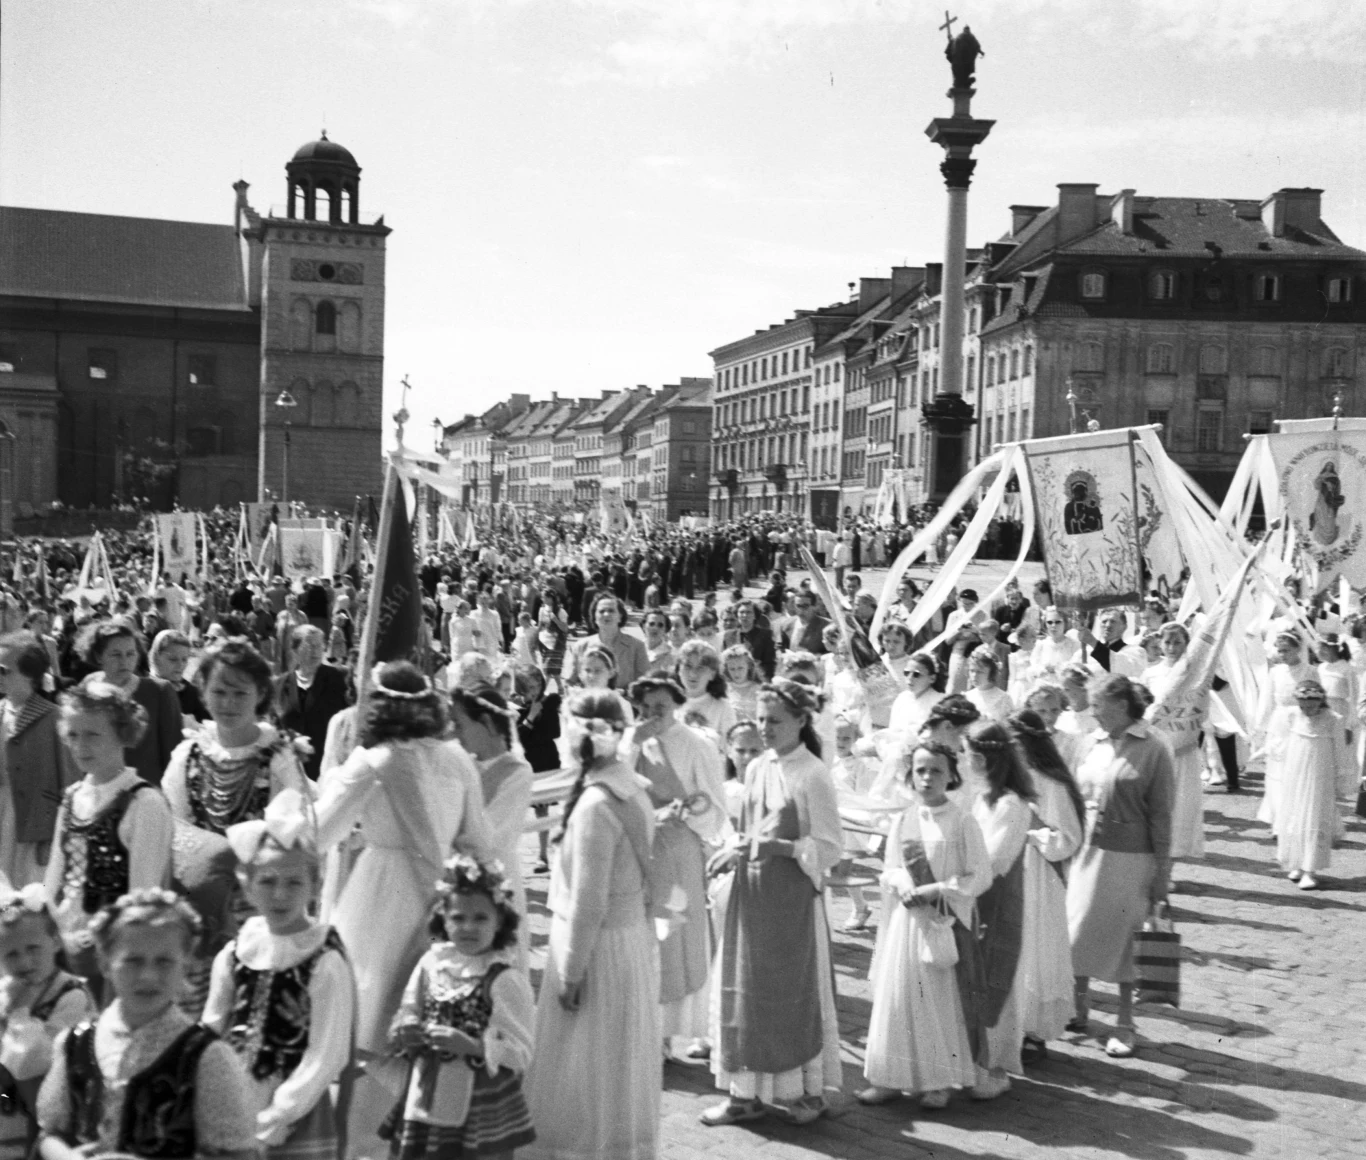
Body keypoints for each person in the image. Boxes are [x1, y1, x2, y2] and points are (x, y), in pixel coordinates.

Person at [315, 662, 493, 1149]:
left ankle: (362, 1144)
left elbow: (317, 833)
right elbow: (478, 841)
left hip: (376, 901)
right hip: (447, 907)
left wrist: (307, 781)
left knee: (369, 1030)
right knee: (427, 1028)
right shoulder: (458, 760)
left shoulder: (371, 761)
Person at [523, 690, 660, 1160]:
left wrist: (572, 972)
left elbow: (588, 900)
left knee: (584, 1065)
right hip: (629, 941)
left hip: (596, 948)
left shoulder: (597, 805)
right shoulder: (631, 789)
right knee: (616, 1062)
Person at [703, 679, 842, 1128]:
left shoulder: (813, 774)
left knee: (792, 993)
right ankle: (745, 1094)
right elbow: (750, 828)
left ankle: (807, 1091)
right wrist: (735, 848)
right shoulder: (759, 765)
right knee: (747, 992)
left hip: (792, 901)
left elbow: (828, 847)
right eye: (761, 719)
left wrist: (777, 848)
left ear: (802, 721)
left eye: (775, 721)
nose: (764, 728)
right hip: (753, 895)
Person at [35, 889, 258, 1160]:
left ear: (185, 965)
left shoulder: (205, 1057)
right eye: (133, 961)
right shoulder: (75, 1044)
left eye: (164, 961)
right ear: (105, 964)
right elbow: (50, 1134)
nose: (148, 975)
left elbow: (237, 1154)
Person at [203, 790, 355, 1159]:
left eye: (294, 883)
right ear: (248, 885)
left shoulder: (322, 959)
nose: (280, 895)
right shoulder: (237, 952)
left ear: (315, 886)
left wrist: (280, 1112)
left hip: (293, 1107)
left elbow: (326, 1052)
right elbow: (211, 1024)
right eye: (267, 882)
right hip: (233, 1096)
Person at [857, 740, 989, 1110]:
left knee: (936, 1001)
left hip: (941, 920)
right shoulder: (904, 819)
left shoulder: (963, 820)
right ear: (910, 776)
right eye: (920, 771)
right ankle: (887, 1078)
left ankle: (938, 1081)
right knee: (898, 998)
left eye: (936, 771)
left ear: (951, 776)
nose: (927, 778)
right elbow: (890, 869)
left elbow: (981, 875)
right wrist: (901, 883)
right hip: (906, 920)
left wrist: (937, 889)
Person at [381, 855, 535, 1160]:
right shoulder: (432, 964)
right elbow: (410, 1007)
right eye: (458, 918)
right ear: (444, 919)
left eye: (480, 918)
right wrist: (405, 1028)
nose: (468, 927)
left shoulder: (503, 978)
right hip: (427, 1091)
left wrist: (474, 1046)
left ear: (500, 921)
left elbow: (521, 1051)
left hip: (482, 1101)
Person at [1066, 674, 1174, 1058]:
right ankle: (1077, 1007)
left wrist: (1163, 874)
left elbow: (1163, 816)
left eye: (1098, 704)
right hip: (1085, 854)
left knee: (1126, 940)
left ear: (1122, 704)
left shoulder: (1154, 748)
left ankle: (1125, 1023)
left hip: (1132, 859)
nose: (1092, 711)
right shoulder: (1089, 743)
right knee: (1077, 931)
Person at [44, 684, 174, 999]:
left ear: (121, 734)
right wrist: (54, 929)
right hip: (64, 945)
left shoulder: (143, 802)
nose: (80, 746)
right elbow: (53, 878)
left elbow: (142, 897)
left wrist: (102, 943)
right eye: (73, 735)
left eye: (93, 735)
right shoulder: (74, 796)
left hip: (116, 952)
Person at [626, 676, 727, 1064]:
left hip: (679, 847)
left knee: (676, 933)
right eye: (646, 706)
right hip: (640, 848)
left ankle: (687, 1029)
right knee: (646, 935)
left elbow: (714, 804)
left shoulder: (697, 744)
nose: (654, 714)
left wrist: (682, 813)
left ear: (677, 705)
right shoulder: (635, 741)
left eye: (662, 707)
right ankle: (652, 1032)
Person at [961, 720, 1035, 1098]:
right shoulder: (981, 795)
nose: (965, 761)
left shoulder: (1011, 804)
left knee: (995, 975)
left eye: (969, 754)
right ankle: (970, 1059)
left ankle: (993, 1065)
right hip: (973, 897)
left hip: (997, 900)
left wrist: (960, 876)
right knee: (971, 978)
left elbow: (994, 860)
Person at [1006, 711, 1084, 1059]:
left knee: (1035, 949)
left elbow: (1068, 839)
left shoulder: (1053, 784)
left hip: (1038, 874)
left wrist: (1033, 827)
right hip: (1008, 870)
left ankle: (1033, 1030)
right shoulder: (1006, 781)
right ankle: (1009, 1024)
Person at [0, 887, 95, 1151]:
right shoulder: (7, 989)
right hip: (12, 1104)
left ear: (54, 942)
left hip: (53, 1103)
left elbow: (31, 1060)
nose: (24, 961)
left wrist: (16, 1010)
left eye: (33, 948)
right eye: (11, 954)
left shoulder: (71, 994)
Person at [450, 686, 534, 970]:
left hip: (497, 880)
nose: (456, 732)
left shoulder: (517, 772)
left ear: (486, 723)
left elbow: (491, 839)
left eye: (462, 724)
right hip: (459, 881)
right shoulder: (462, 765)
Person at [0, 634, 76, 886]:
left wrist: (56, 836)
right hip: (2, 812)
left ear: (30, 676)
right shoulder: (2, 712)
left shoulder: (53, 718)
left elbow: (70, 783)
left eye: (4, 671)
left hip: (34, 824)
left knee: (27, 888)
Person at [78, 621, 181, 786]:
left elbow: (174, 754)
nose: (124, 661)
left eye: (130, 654)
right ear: (99, 656)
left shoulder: (159, 691)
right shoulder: (89, 686)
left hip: (146, 794)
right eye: (116, 654)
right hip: (101, 791)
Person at [1141, 622, 1209, 867]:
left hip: (1183, 749)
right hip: (1157, 748)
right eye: (1167, 642)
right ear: (1160, 643)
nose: (1171, 647)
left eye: (1177, 642)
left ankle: (1169, 865)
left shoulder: (1195, 675)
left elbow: (1202, 711)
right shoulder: (1150, 673)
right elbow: (1143, 707)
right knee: (1155, 806)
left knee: (1179, 806)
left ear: (1186, 644)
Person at [1275, 679, 1353, 890]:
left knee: (1314, 816)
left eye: (1312, 704)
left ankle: (1310, 869)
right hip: (1296, 773)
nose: (1307, 709)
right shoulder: (1292, 715)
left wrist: (1342, 778)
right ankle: (1297, 863)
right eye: (1303, 703)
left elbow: (1340, 751)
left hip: (1320, 776)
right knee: (1294, 814)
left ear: (1321, 701)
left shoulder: (1333, 720)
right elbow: (1283, 744)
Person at [275, 626, 352, 782]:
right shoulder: (280, 684)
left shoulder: (338, 678)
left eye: (319, 645)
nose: (316, 651)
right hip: (290, 770)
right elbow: (275, 726)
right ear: (295, 650)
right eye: (310, 645)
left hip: (328, 770)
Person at [566, 597, 649, 691]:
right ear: (595, 617)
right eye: (601, 611)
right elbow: (569, 682)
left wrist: (624, 694)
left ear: (620, 616)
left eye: (611, 611)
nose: (606, 614)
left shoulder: (637, 646)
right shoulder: (580, 646)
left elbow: (644, 683)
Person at [676, 640, 736, 742]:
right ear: (678, 670)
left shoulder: (723, 708)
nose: (693, 674)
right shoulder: (669, 704)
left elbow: (730, 748)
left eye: (700, 668)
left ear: (712, 674)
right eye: (688, 666)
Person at [149, 629, 209, 724]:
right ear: (156, 657)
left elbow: (206, 724)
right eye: (173, 659)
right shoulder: (145, 689)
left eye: (184, 659)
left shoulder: (190, 692)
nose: (180, 665)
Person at [887, 653, 944, 737]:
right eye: (906, 672)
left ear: (932, 678)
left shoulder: (940, 702)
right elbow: (892, 730)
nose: (909, 678)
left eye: (916, 674)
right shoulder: (901, 698)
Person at [965, 647, 1012, 723]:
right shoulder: (967, 697)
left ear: (992, 673)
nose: (974, 675)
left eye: (980, 672)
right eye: (972, 671)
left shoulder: (1004, 699)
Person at [721, 645, 761, 723]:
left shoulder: (759, 689)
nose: (736, 673)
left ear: (749, 666)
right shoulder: (723, 689)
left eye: (740, 668)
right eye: (732, 669)